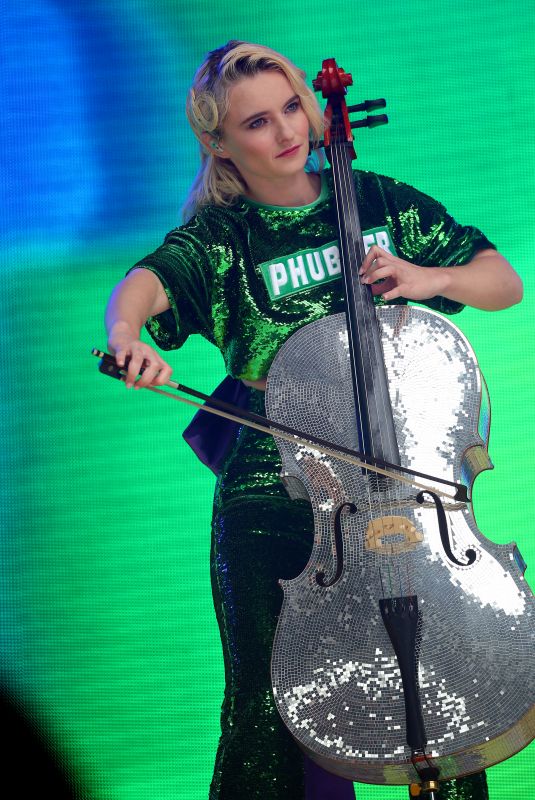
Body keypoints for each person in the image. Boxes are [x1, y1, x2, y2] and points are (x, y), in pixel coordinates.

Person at [104, 41, 523, 800]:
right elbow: (145, 284)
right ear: (220, 142)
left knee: (444, 683)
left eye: (293, 106)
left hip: (399, 474)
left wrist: (427, 277)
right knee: (265, 706)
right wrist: (126, 339)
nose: (287, 131)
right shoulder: (223, 240)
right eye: (256, 122)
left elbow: (500, 282)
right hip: (272, 492)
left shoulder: (378, 202)